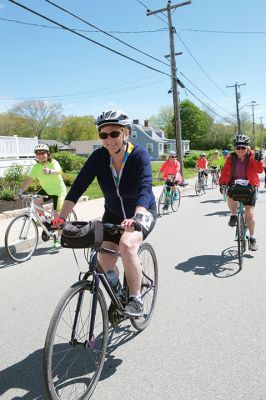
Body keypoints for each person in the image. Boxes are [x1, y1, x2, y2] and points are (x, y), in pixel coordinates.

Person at [52, 109, 157, 317]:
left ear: (126, 133)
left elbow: (145, 187)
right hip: (113, 216)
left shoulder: (138, 155)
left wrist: (137, 215)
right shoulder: (98, 157)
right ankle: (119, 296)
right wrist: (61, 218)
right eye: (103, 135)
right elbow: (77, 188)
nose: (109, 140)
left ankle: (135, 299)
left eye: (114, 134)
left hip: (142, 211)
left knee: (127, 245)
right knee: (104, 261)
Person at [218, 134, 264, 251]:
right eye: (238, 147)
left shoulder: (253, 156)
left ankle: (252, 238)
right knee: (229, 192)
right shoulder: (231, 158)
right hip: (235, 185)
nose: (240, 150)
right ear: (234, 148)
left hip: (250, 186)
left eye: (243, 147)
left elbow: (259, 170)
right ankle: (233, 215)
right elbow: (225, 173)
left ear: (247, 148)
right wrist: (223, 183)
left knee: (249, 213)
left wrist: (259, 160)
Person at [18, 143, 67, 249]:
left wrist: (50, 171)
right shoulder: (36, 167)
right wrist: (21, 190)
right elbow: (29, 180)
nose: (40, 155)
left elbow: (59, 171)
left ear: (47, 154)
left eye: (43, 153)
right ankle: (46, 221)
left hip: (58, 191)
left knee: (57, 214)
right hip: (46, 190)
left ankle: (58, 238)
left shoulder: (53, 162)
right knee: (35, 202)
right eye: (38, 153)